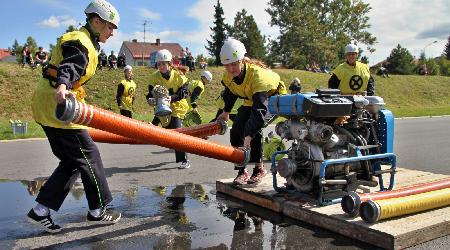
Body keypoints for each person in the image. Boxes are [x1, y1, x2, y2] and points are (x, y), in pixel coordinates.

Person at [28, 0, 121, 233]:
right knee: (89, 155)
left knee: (73, 159)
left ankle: (41, 210)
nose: (112, 32)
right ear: (97, 22)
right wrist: (62, 85)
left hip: (53, 103)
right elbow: (70, 64)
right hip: (57, 105)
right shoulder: (80, 41)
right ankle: (98, 210)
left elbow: (72, 67)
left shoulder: (88, 41)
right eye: (110, 27)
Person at [217, 38, 287, 185]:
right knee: (236, 130)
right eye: (227, 65)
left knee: (254, 129)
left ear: (242, 60)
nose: (230, 69)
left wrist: (248, 136)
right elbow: (231, 92)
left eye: (234, 64)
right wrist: (226, 111)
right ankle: (242, 171)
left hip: (273, 99)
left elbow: (259, 112)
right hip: (252, 98)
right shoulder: (229, 75)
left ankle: (259, 169)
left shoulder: (258, 77)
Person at [146, 49, 191, 169]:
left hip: (177, 106)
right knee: (168, 130)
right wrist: (150, 99)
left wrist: (171, 98)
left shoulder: (179, 76)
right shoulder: (154, 77)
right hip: (162, 107)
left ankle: (184, 160)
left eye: (163, 64)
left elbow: (185, 92)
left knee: (177, 132)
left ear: (170, 64)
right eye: (159, 64)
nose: (161, 66)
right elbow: (149, 94)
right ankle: (155, 123)